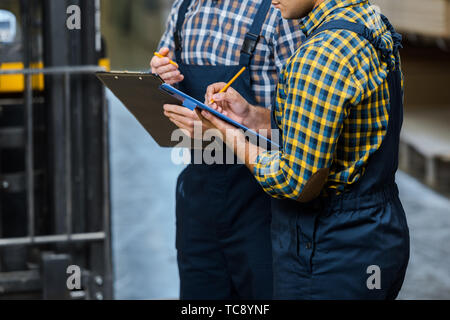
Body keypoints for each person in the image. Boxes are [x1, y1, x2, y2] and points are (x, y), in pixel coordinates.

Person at [199, 0, 410, 299]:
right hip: (379, 235)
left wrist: (228, 135)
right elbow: (328, 122)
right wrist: (249, 116)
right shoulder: (368, 21)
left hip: (331, 249)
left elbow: (296, 182)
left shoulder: (320, 55)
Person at [150, 0, 303, 300]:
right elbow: (162, 75)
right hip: (199, 193)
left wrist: (232, 126)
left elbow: (301, 124)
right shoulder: (184, 7)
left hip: (262, 198)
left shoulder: (280, 12)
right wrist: (159, 72)